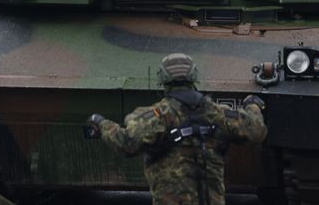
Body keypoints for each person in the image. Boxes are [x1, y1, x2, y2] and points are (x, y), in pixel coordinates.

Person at [84, 53, 267, 205]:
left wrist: (102, 123)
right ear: (194, 76)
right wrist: (253, 106)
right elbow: (256, 131)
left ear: (162, 79)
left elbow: (126, 143)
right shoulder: (218, 113)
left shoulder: (156, 116)